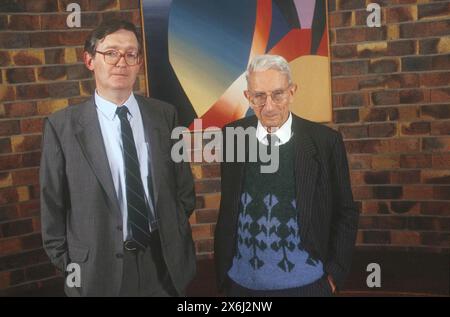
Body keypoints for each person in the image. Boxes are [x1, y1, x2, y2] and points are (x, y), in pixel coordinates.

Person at [40, 20, 196, 296]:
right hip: (97, 269)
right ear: (89, 60)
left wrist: (177, 230)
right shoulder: (62, 127)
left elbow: (183, 188)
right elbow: (52, 203)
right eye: (111, 52)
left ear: (138, 63)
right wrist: (69, 263)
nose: (121, 62)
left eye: (130, 53)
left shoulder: (165, 115)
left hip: (163, 262)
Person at [214, 54, 359, 297]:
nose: (268, 106)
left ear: (292, 92)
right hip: (240, 286)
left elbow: (346, 211)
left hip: (308, 286)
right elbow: (230, 209)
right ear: (248, 97)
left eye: (277, 94)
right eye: (259, 96)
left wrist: (334, 275)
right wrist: (225, 278)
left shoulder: (325, 142)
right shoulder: (232, 136)